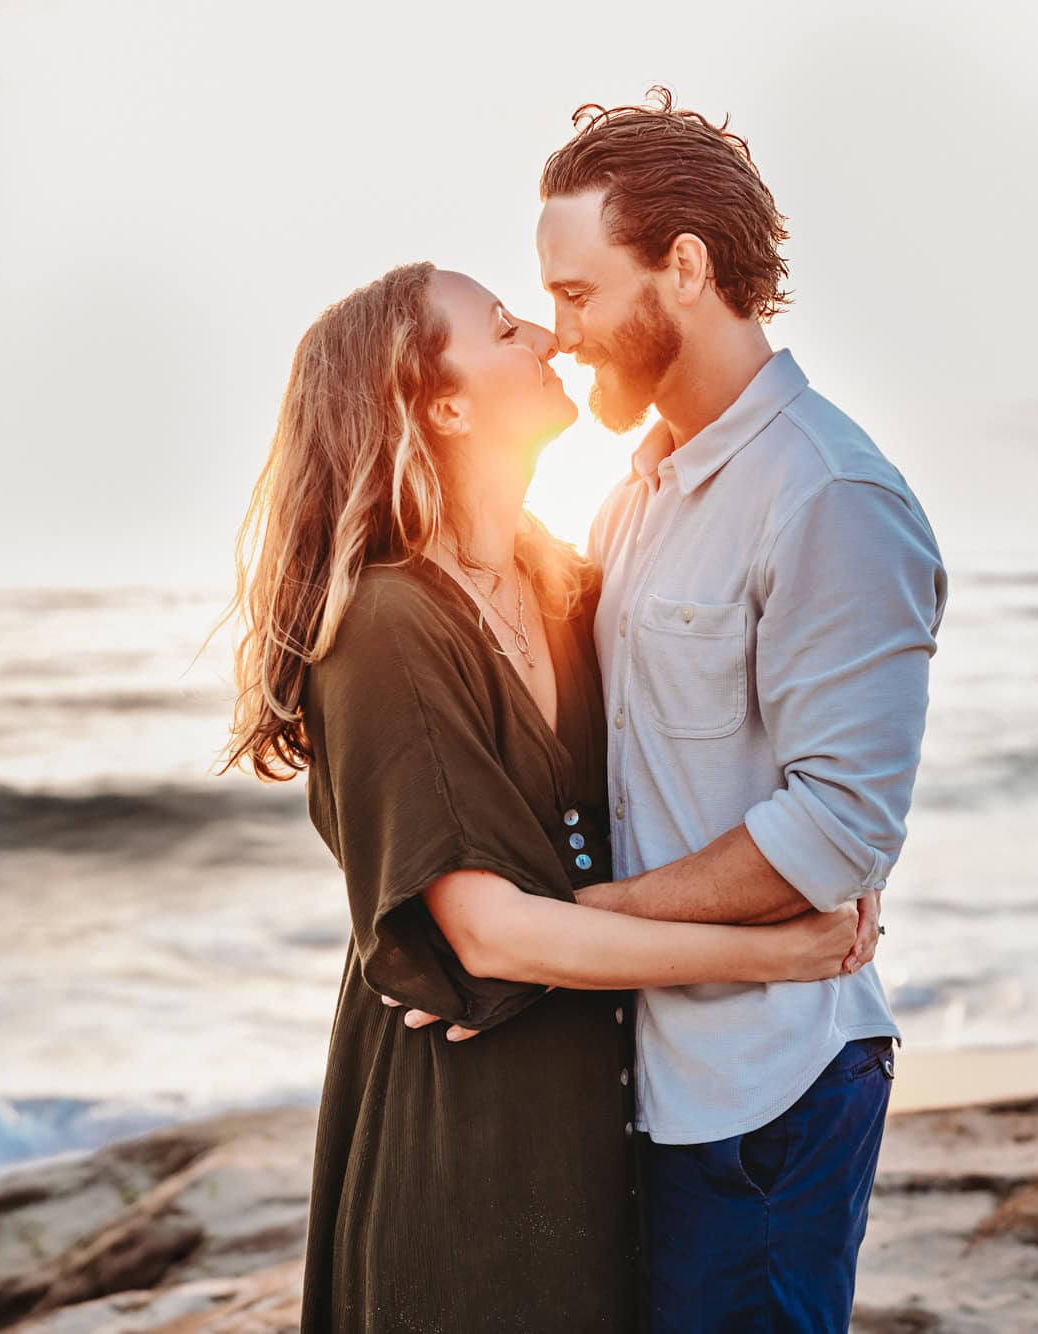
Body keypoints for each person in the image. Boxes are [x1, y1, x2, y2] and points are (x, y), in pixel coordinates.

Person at [217, 261, 862, 1333]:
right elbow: (487, 933)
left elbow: (726, 737)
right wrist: (773, 946)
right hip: (465, 1136)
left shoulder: (563, 583)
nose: (549, 339)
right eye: (505, 328)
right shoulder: (386, 626)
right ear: (444, 402)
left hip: (599, 1113)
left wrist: (831, 853)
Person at [537, 90, 947, 1331]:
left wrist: (585, 924)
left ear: (685, 267)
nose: (559, 334)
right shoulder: (639, 490)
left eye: (576, 293)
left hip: (765, 1095)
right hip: (650, 1075)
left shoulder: (828, 495)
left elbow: (836, 833)